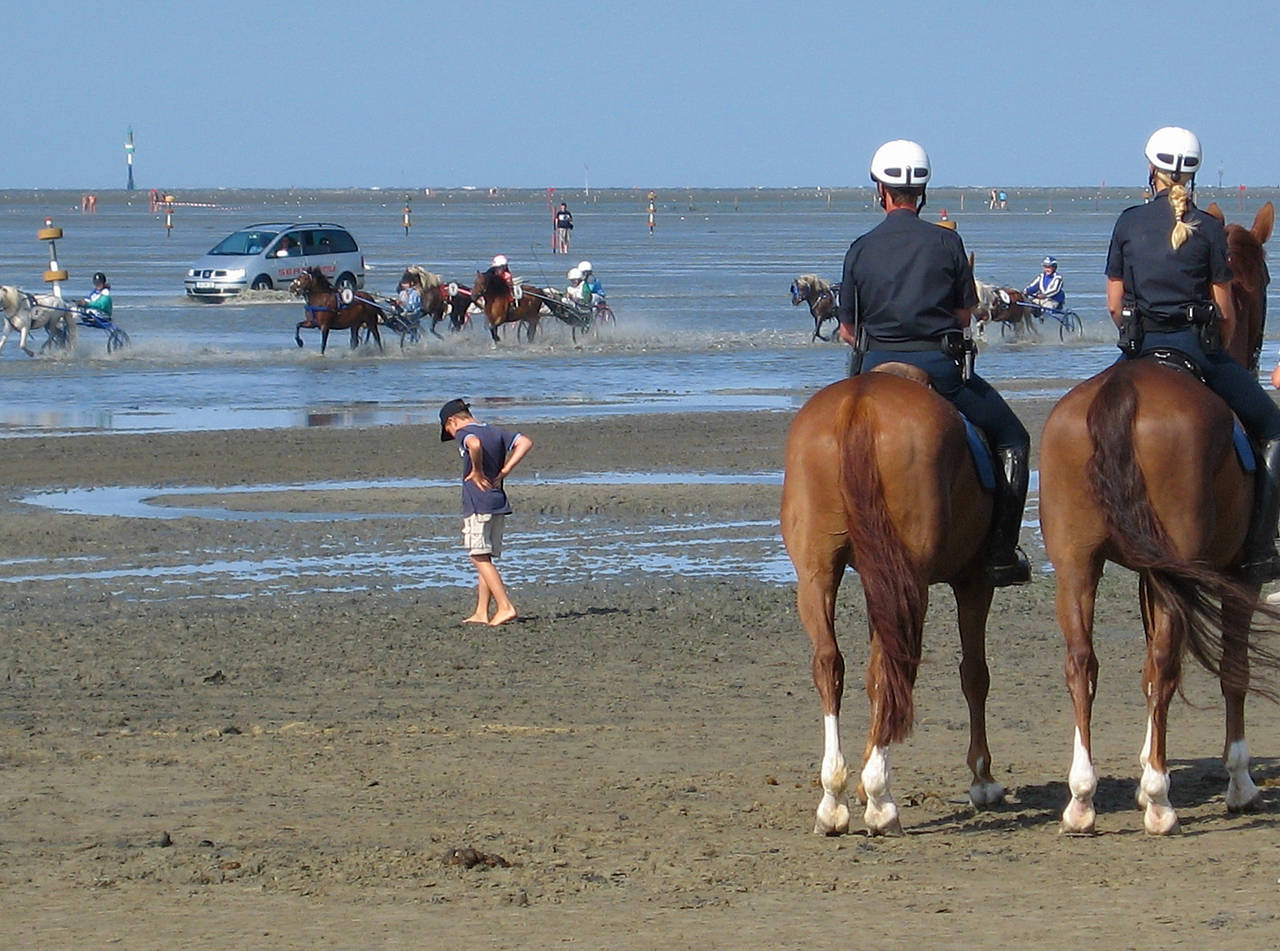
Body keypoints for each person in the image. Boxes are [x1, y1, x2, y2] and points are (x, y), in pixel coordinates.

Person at [837, 139, 1031, 586]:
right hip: (940, 370)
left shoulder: (860, 248)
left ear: (880, 192)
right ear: (920, 195)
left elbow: (848, 330)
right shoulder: (948, 243)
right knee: (1013, 439)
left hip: (874, 367)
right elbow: (964, 315)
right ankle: (1001, 551)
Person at [1107, 125, 1280, 582]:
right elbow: (1225, 312)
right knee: (1273, 428)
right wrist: (1216, 351)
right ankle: (1261, 546)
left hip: (1140, 349)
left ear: (1151, 169)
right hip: (1194, 349)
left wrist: (1134, 337)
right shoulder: (1209, 228)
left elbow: (1113, 303)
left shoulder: (1127, 221)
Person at [440, 399, 534, 626]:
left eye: (449, 431)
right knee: (486, 556)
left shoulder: (465, 433)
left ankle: (505, 606)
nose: (453, 436)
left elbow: (474, 444)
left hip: (478, 503)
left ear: (452, 421)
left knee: (478, 556)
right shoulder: (495, 431)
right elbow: (525, 442)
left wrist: (477, 471)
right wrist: (506, 470)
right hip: (497, 501)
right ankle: (482, 612)